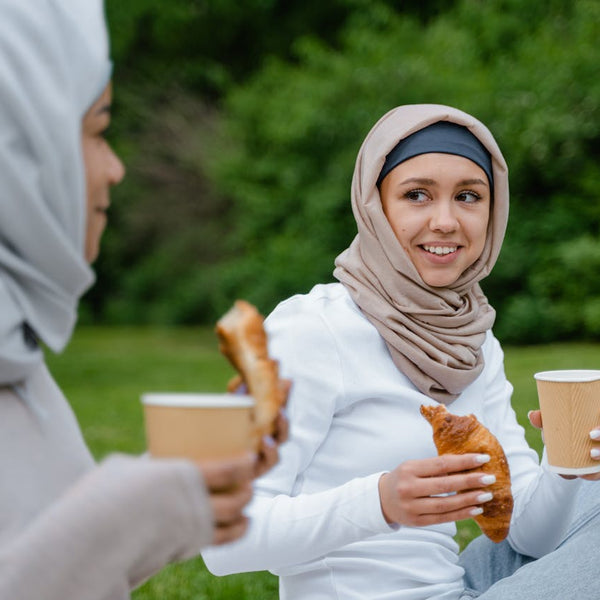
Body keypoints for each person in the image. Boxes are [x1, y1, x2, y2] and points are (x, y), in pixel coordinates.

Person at [202, 103, 600, 599]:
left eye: (469, 196)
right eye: (417, 195)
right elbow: (223, 543)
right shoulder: (313, 328)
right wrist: (381, 502)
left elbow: (526, 535)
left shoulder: (473, 339)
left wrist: (566, 464)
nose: (446, 221)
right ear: (375, 206)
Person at [0, 2, 286, 599]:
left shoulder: (22, 371)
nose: (117, 168)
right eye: (98, 133)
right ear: (21, 155)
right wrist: (125, 512)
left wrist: (185, 495)